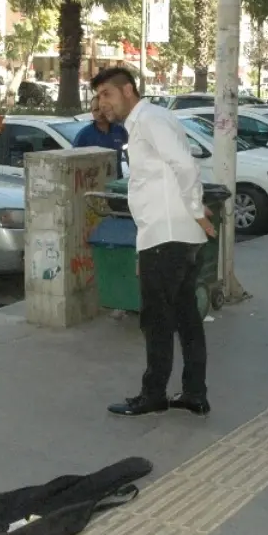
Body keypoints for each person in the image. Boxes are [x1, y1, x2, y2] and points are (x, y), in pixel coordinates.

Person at [91, 67, 214, 418]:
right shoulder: (148, 121)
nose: (102, 104)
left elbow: (185, 166)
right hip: (171, 234)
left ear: (128, 90)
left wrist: (193, 209)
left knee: (157, 320)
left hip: (167, 235)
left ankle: (154, 394)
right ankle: (194, 393)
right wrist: (192, 210)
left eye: (107, 95)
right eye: (99, 97)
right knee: (186, 317)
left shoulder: (150, 121)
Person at [73, 95, 129, 177]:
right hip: (94, 183)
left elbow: (130, 155)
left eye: (103, 108)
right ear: (91, 112)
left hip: (116, 183)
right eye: (96, 110)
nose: (100, 113)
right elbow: (74, 162)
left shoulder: (120, 131)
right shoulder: (84, 135)